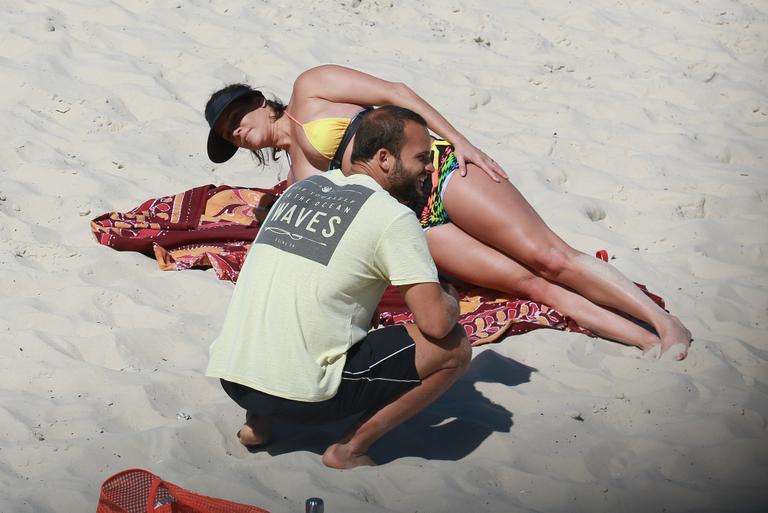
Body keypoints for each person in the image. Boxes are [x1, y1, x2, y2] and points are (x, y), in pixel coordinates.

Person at [204, 64, 692, 360]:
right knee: (530, 284)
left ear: (258, 103)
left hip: (437, 170)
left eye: (234, 120)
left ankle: (666, 324)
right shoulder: (297, 176)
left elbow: (397, 94)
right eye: (227, 135)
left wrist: (462, 143)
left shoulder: (311, 88)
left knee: (549, 256)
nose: (235, 133)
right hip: (415, 219)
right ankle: (643, 341)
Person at [206, 106, 472, 469]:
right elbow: (436, 323)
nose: (429, 168)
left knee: (288, 293)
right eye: (422, 158)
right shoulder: (392, 216)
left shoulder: (302, 189)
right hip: (300, 398)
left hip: (233, 378)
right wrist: (451, 301)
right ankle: (349, 450)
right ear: (384, 158)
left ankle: (258, 426)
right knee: (453, 348)